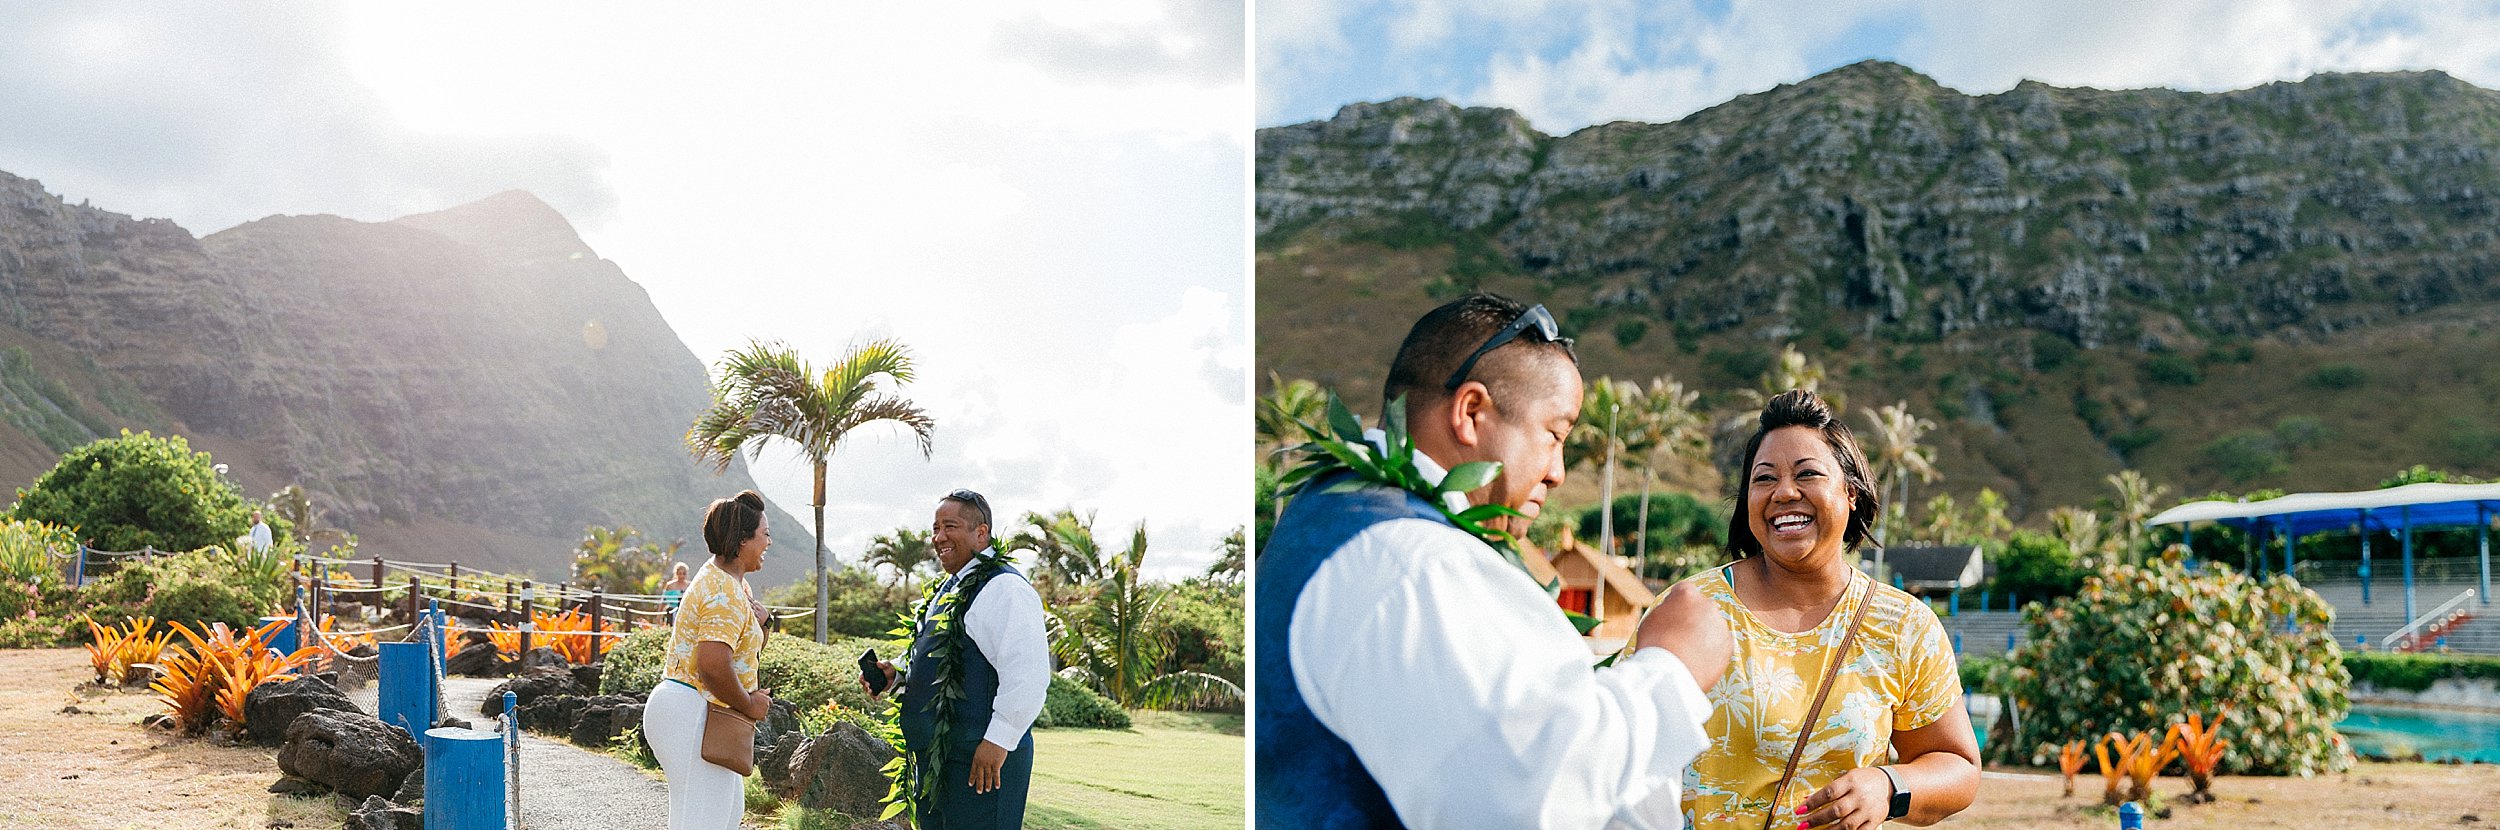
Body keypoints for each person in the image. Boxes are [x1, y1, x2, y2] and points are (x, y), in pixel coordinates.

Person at [1257, 292, 1726, 829]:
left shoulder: (1332, 514)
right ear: (1471, 412)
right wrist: (1674, 667)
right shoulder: (1412, 563)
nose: (1557, 473)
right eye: (1554, 435)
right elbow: (1523, 800)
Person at [1636, 390, 1979, 830]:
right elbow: (1619, 753)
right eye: (1764, 479)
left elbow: (1958, 766)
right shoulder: (1692, 609)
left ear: (1851, 494)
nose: (1784, 493)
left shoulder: (1902, 626)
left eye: (1808, 474)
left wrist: (1888, 785)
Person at [865, 489, 1049, 830]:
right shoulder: (949, 587)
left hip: (979, 761)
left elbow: (1028, 675)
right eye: (935, 528)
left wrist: (997, 742)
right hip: (940, 762)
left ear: (981, 533)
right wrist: (899, 674)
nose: (939, 537)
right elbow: (950, 657)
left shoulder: (1004, 589)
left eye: (950, 526)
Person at [642, 490, 775, 829]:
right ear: (743, 541)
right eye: (765, 534)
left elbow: (739, 654)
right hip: (690, 709)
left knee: (719, 816)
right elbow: (713, 665)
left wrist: (763, 626)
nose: (769, 543)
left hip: (695, 710)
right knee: (705, 821)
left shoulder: (726, 583)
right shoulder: (724, 591)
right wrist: (749, 705)